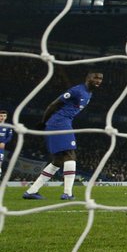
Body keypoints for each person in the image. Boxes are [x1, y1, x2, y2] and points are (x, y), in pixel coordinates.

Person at [23, 72, 104, 201]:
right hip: (59, 122)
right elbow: (53, 104)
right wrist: (43, 122)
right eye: (95, 77)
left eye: (100, 78)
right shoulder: (77, 90)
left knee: (58, 161)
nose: (98, 80)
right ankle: (67, 193)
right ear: (87, 78)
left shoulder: (89, 94)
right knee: (70, 155)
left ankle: (31, 191)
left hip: (62, 122)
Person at [0, 109, 12, 177]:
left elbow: (9, 137)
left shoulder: (8, 126)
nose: (2, 117)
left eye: (4, 116)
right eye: (1, 116)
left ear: (6, 117)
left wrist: (4, 142)